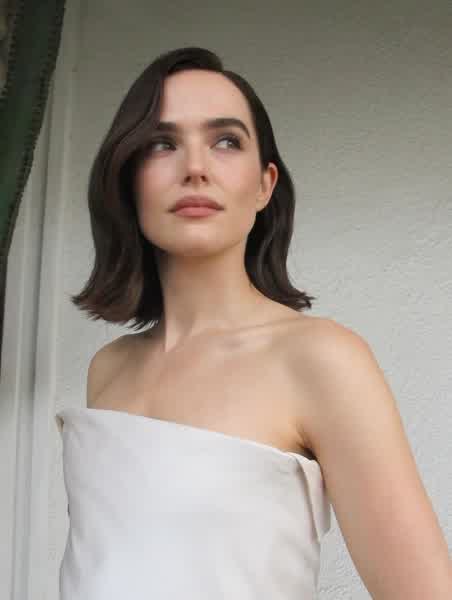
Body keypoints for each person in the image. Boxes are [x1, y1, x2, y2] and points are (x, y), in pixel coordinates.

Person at [55, 46, 452, 599]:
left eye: (225, 141)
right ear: (128, 180)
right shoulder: (109, 369)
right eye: (162, 144)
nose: (195, 168)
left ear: (265, 184)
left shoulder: (319, 358)